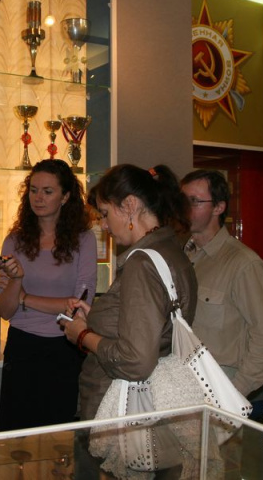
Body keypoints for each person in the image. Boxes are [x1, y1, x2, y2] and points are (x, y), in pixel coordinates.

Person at [60, 164, 198, 477]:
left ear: (131, 205)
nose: (104, 225)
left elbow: (136, 360)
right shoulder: (172, 252)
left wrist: (82, 334)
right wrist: (97, 316)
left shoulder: (142, 263)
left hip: (121, 413)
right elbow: (155, 326)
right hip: (154, 409)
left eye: (105, 213)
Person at [0, 159, 97, 431]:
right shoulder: (14, 240)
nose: (38, 197)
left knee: (59, 439)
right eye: (33, 190)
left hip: (65, 347)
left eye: (48, 191)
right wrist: (17, 281)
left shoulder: (84, 239)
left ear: (65, 197)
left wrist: (26, 299)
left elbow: (79, 306)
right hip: (22, 346)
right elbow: (4, 310)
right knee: (17, 438)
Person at [180, 169, 263, 398]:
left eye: (194, 201)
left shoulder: (244, 264)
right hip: (180, 381)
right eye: (182, 200)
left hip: (218, 384)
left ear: (218, 207)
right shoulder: (182, 256)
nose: (185, 208)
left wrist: (234, 392)